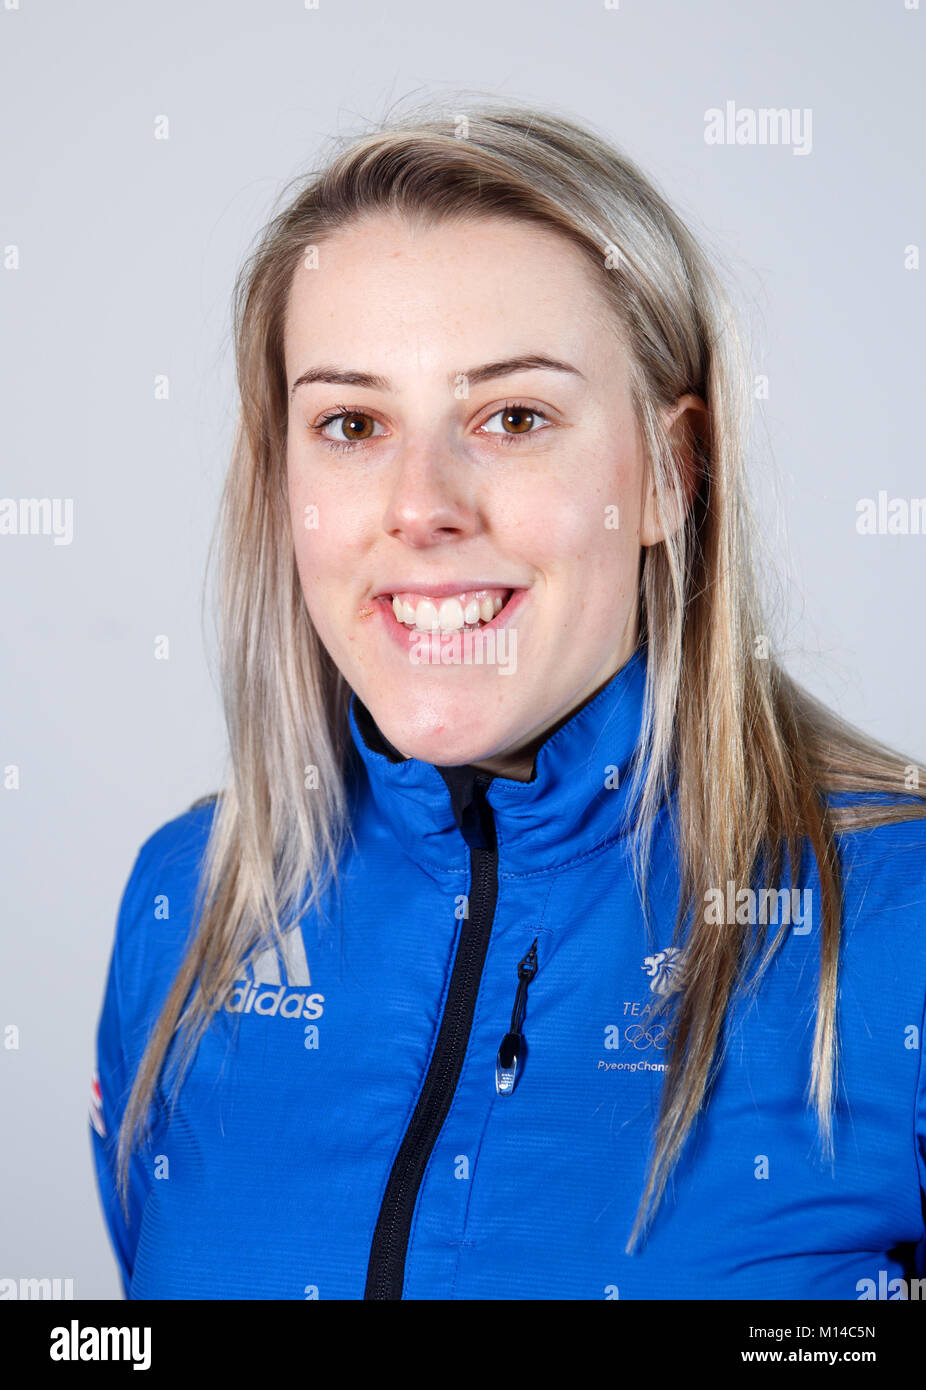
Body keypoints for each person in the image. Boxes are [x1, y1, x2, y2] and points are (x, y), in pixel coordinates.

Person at [90, 94, 926, 1300]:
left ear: (667, 473)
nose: (421, 503)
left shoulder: (896, 925)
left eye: (513, 417)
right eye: (352, 422)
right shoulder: (192, 900)